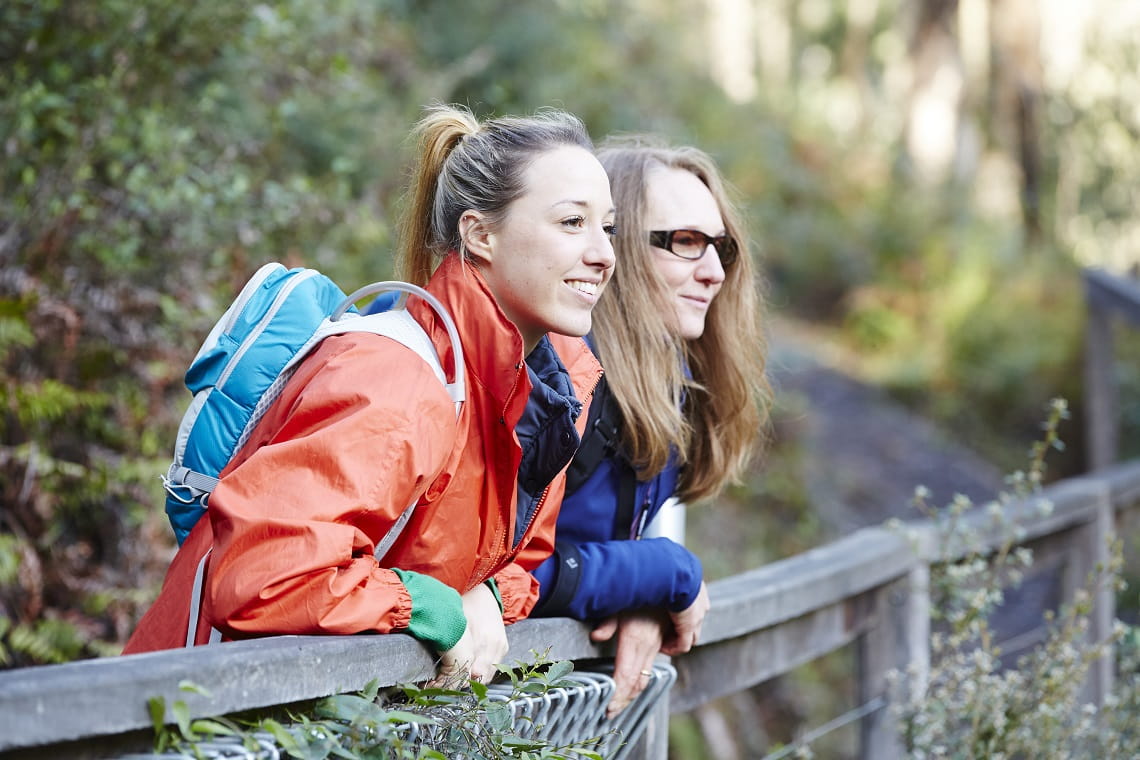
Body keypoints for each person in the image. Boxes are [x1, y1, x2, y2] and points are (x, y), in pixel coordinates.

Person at [124, 104, 617, 687]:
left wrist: (482, 594)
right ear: (480, 233)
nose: (603, 254)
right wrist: (429, 606)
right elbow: (264, 575)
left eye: (606, 227)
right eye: (570, 223)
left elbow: (522, 560)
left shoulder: (540, 401)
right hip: (194, 719)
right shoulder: (395, 380)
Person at [535, 137, 771, 716]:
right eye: (686, 243)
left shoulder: (671, 390)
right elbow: (496, 576)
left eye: (720, 247)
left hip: (562, 711)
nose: (714, 272)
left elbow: (601, 556)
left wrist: (641, 592)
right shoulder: (553, 386)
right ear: (610, 247)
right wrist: (665, 573)